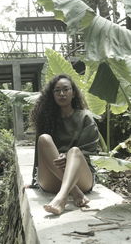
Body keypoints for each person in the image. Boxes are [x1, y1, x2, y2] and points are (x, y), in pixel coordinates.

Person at [30, 74, 99, 215]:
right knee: (44, 139)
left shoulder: (85, 117)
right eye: (57, 90)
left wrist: (67, 156)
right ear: (52, 95)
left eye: (66, 89)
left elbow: (91, 150)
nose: (62, 93)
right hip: (53, 179)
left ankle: (61, 198)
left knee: (74, 151)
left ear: (73, 93)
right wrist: (33, 181)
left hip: (81, 178)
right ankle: (74, 192)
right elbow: (40, 154)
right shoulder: (47, 119)